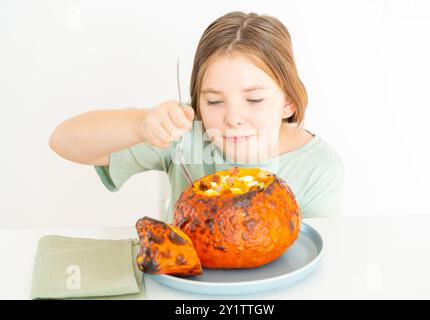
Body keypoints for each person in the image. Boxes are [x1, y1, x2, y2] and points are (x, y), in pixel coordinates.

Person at [49, 11, 344, 223]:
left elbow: (311, 263)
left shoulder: (318, 168)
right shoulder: (184, 133)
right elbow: (63, 140)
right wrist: (139, 124)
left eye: (253, 99)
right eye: (214, 101)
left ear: (288, 103)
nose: (233, 118)